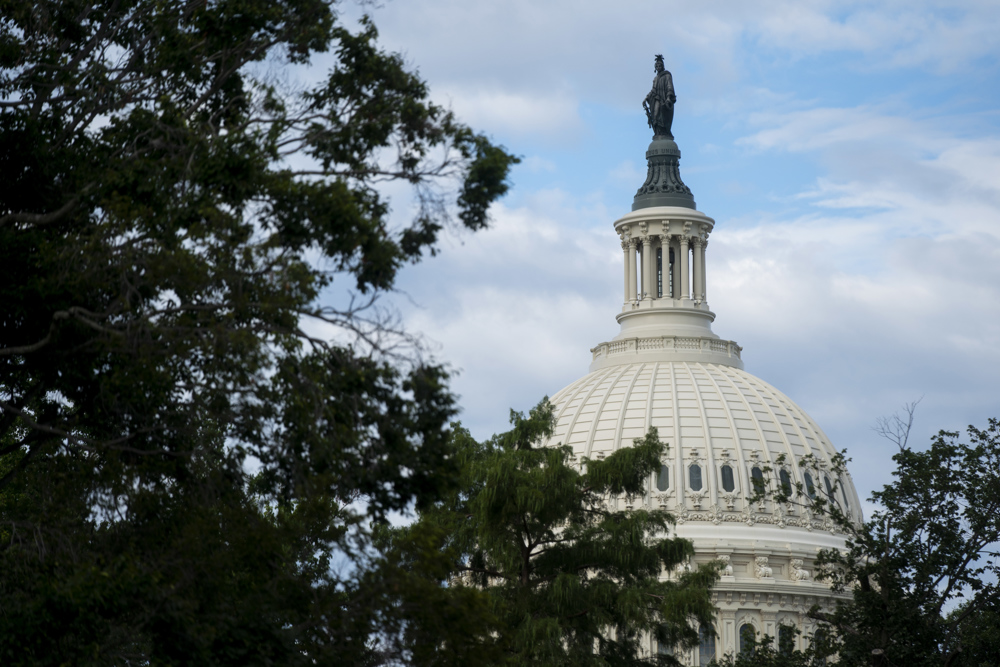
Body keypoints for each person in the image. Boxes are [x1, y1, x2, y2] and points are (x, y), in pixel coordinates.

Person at [643, 54, 676, 138]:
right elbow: (653, 90)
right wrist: (646, 97)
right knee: (655, 115)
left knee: (663, 117)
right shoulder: (655, 78)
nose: (658, 67)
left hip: (664, 100)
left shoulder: (667, 75)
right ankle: (658, 132)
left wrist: (668, 98)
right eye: (656, 66)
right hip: (656, 99)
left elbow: (669, 87)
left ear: (663, 66)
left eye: (660, 65)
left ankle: (665, 132)